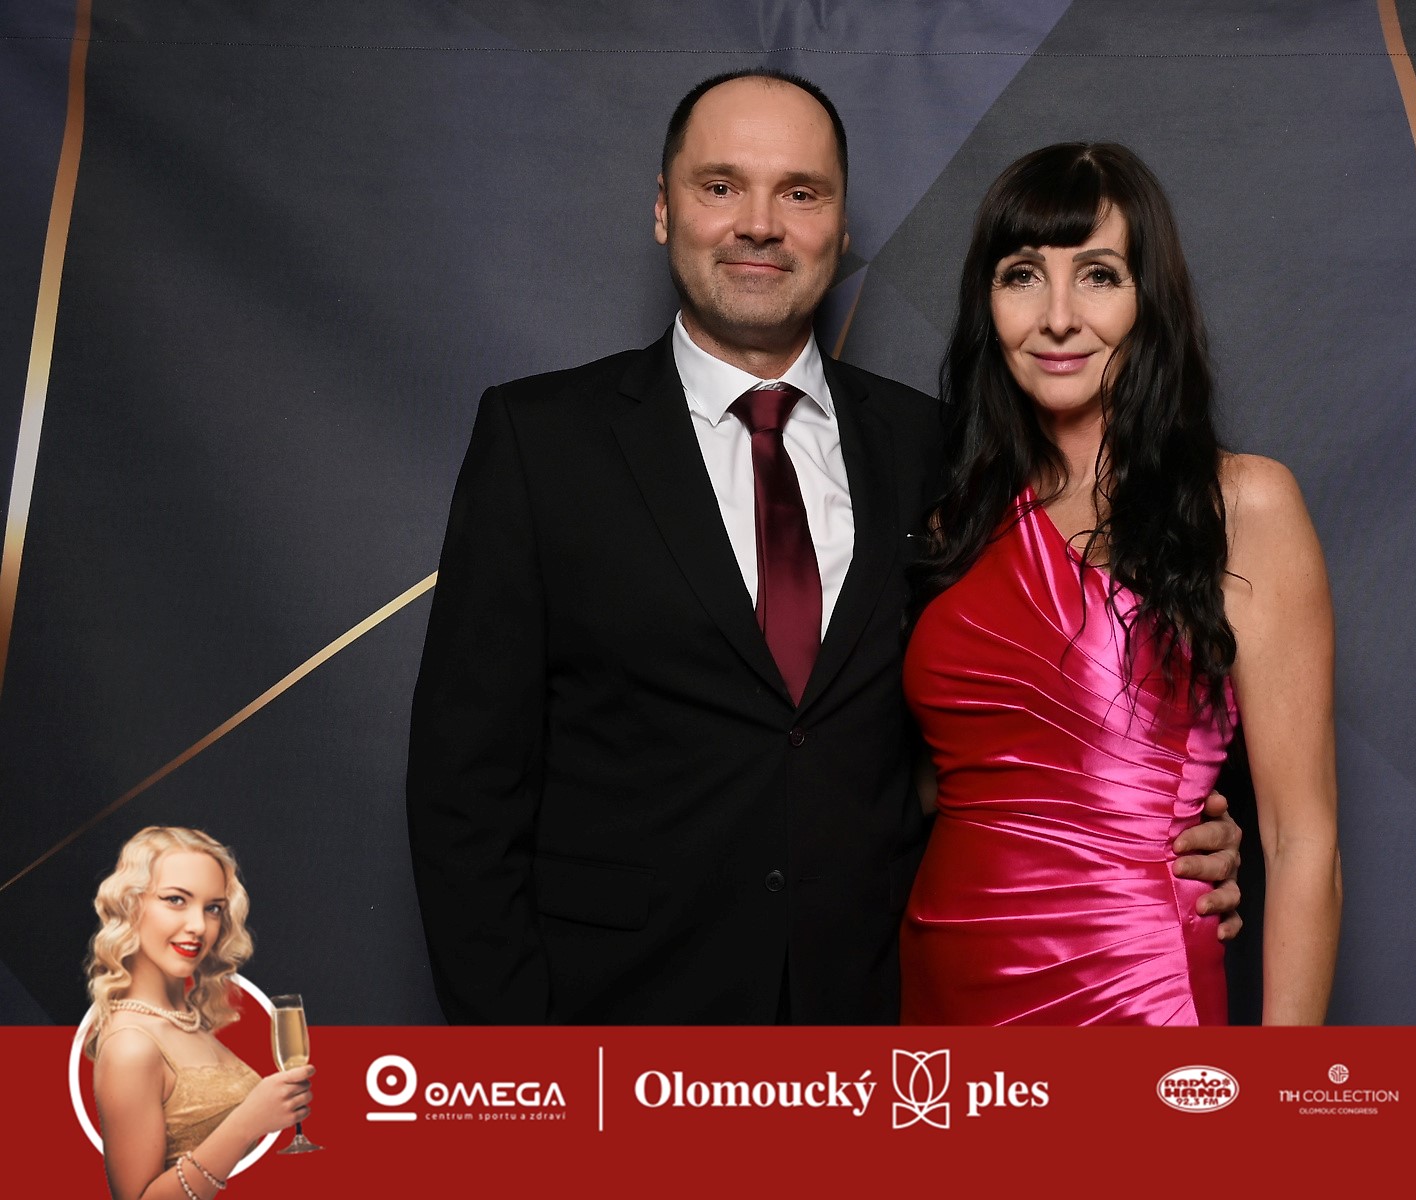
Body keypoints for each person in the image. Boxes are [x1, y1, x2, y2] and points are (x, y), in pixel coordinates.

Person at [406, 70, 1243, 1026]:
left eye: (800, 193)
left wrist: (1170, 836)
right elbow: (464, 791)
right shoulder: (541, 442)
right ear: (663, 210)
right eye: (721, 186)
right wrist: (516, 1068)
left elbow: (1020, 713)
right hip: (618, 1026)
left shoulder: (940, 452)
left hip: (882, 1023)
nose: (761, 224)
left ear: (841, 230)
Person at [902, 143, 1341, 1025]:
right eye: (1023, 276)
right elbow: (945, 782)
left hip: (1131, 992)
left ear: (1150, 301)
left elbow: (1303, 844)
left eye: (1098, 275)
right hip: (941, 991)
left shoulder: (1242, 504)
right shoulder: (956, 521)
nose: (1059, 317)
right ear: (989, 304)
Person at [85, 827, 313, 1199]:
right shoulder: (131, 1046)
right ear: (130, 904)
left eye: (213, 909)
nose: (198, 927)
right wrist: (246, 1123)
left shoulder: (188, 1020)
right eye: (176, 900)